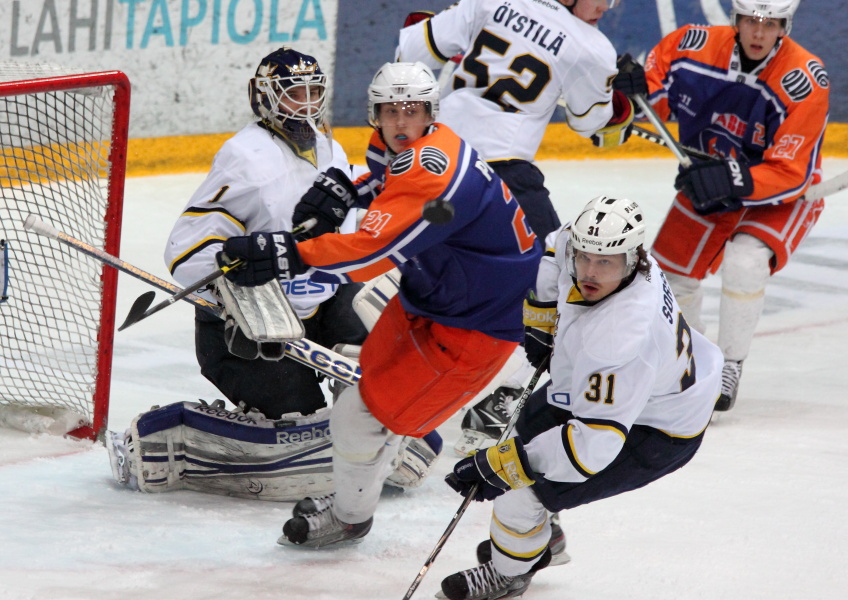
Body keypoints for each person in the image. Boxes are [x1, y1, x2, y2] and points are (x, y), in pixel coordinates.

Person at [104, 48, 440, 502]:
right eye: (293, 93)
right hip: (248, 328)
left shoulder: (329, 146)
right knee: (300, 422)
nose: (305, 103)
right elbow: (185, 248)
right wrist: (238, 292)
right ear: (264, 98)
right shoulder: (245, 157)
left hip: (321, 307)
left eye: (313, 91)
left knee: (381, 370)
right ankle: (172, 437)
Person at [235, 61, 540, 547]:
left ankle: (351, 517)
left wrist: (282, 254)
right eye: (389, 111)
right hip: (436, 297)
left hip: (475, 329)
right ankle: (399, 435)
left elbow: (368, 254)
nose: (400, 122)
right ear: (374, 114)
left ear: (430, 112)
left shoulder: (431, 168)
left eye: (412, 110)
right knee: (371, 372)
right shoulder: (405, 149)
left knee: (356, 415)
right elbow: (383, 182)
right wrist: (347, 189)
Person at [438, 196, 723, 600]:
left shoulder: (620, 338)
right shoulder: (613, 251)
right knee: (528, 426)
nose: (589, 272)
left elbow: (592, 448)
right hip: (654, 389)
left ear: (633, 259)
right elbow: (556, 247)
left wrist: (506, 465)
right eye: (585, 257)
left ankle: (508, 575)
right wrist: (541, 317)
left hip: (656, 430)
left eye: (604, 263)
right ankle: (542, 539)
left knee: (519, 496)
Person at [396, 0, 640, 452]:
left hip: (432, 160)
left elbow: (410, 47)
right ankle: (509, 397)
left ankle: (387, 391)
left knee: (424, 278)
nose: (607, 4)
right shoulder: (591, 45)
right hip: (500, 174)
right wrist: (621, 102)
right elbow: (592, 123)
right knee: (568, 279)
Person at [643, 0, 829, 411]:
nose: (759, 33)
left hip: (781, 196)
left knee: (745, 261)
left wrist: (730, 178)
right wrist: (632, 94)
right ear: (737, 20)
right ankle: (691, 362)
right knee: (669, 277)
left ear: (785, 26)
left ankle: (729, 362)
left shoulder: (804, 78)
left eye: (770, 23)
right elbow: (653, 94)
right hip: (710, 180)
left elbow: (790, 172)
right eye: (751, 21)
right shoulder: (691, 46)